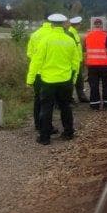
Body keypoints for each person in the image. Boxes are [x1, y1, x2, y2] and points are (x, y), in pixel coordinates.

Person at [26, 14, 81, 145]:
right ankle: (68, 132)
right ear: (63, 24)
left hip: (48, 81)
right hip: (65, 80)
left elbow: (36, 61)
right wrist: (73, 79)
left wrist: (30, 79)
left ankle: (45, 137)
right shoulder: (69, 40)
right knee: (65, 107)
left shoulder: (46, 40)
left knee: (46, 108)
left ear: (51, 24)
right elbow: (76, 62)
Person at [26, 16, 53, 132]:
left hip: (37, 72)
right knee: (48, 102)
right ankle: (47, 126)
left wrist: (37, 61)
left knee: (37, 99)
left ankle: (37, 124)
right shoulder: (53, 35)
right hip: (50, 73)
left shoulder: (35, 34)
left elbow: (29, 53)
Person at [84, 18, 107, 110]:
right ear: (102, 26)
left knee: (94, 85)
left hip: (92, 66)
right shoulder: (106, 36)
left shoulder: (87, 36)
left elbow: (85, 52)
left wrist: (86, 63)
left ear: (94, 26)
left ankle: (95, 105)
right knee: (106, 84)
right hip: (105, 65)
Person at [65, 16, 90, 103]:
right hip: (73, 61)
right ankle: (70, 98)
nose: (80, 25)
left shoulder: (74, 32)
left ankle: (81, 96)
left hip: (77, 60)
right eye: (79, 24)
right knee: (73, 80)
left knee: (79, 80)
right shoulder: (71, 33)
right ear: (77, 25)